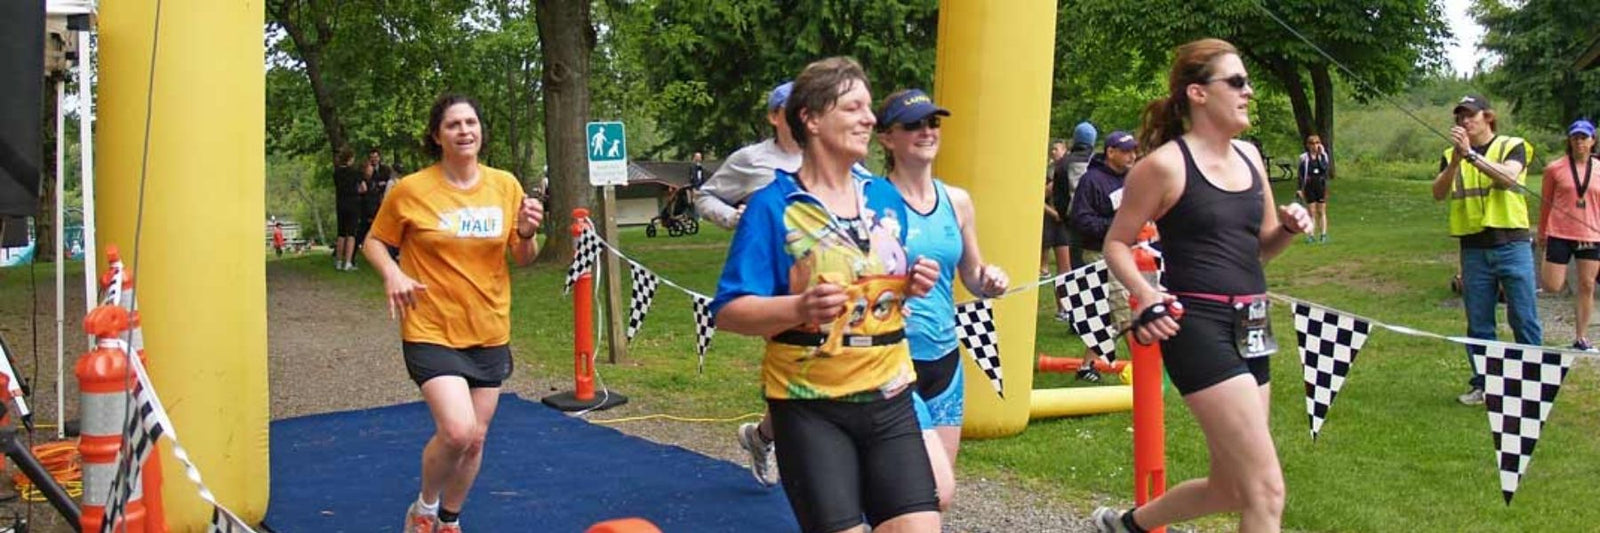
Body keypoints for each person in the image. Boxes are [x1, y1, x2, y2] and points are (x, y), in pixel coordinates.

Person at [710, 57, 942, 533]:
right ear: (811, 119)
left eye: (869, 108)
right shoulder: (775, 206)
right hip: (810, 406)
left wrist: (912, 283)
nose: (870, 119)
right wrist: (798, 307)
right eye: (853, 107)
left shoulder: (884, 198)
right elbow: (729, 312)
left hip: (890, 394)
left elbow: (879, 289)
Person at [1092, 38, 1312, 533]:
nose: (1248, 92)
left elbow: (1261, 249)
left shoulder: (1251, 157)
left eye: (1247, 82)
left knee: (1233, 486)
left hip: (1253, 321)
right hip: (1197, 327)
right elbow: (1116, 244)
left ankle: (1128, 525)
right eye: (1236, 82)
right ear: (1198, 93)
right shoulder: (1164, 166)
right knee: (1266, 490)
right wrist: (1147, 294)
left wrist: (1289, 229)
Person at [368, 94, 543, 533]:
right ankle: (424, 509)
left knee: (476, 439)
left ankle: (449, 519)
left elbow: (523, 258)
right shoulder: (412, 190)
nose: (464, 131)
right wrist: (392, 273)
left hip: (488, 327)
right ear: (437, 136)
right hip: (431, 326)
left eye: (471, 122)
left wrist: (525, 233)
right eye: (453, 125)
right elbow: (374, 242)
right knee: (458, 430)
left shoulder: (505, 185)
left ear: (480, 130)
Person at [876, 88, 1009, 511]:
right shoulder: (873, 201)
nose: (927, 131)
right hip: (891, 359)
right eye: (913, 125)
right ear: (886, 138)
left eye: (932, 123)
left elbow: (972, 275)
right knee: (919, 488)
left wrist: (990, 280)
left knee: (936, 498)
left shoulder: (957, 201)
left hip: (945, 360)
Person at [1430, 94, 1540, 406]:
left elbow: (1508, 178)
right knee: (1479, 322)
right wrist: (1455, 161)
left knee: (1524, 317)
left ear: (1488, 117)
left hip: (1512, 243)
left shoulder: (1512, 145)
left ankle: (1534, 383)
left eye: (1471, 115)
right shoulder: (1450, 154)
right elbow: (1438, 192)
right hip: (1474, 247)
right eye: (1459, 117)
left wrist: (1471, 156)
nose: (1464, 121)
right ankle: (1486, 384)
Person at [1068, 130, 1139, 382]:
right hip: (1100, 253)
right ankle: (1145, 370)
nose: (1132, 156)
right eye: (1126, 151)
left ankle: (1086, 366)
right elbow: (1080, 220)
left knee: (1107, 313)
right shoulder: (1091, 180)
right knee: (1124, 309)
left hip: (1130, 252)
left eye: (1134, 150)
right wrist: (1117, 226)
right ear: (1111, 152)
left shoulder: (1132, 178)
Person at [694, 82, 802, 230]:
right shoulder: (751, 158)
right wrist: (733, 217)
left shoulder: (829, 157)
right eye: (792, 111)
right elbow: (704, 197)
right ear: (774, 117)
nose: (801, 117)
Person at [1539, 119, 1599, 351]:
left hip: (1590, 233)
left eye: (1584, 138)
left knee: (1587, 284)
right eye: (1575, 138)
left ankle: (1581, 337)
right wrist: (1542, 232)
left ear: (1592, 141)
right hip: (1560, 232)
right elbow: (1545, 202)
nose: (1579, 142)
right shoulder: (1554, 168)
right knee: (1552, 285)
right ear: (1569, 141)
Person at [333, 147, 364, 271]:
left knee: (341, 233)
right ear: (350, 159)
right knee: (351, 233)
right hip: (353, 203)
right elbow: (363, 187)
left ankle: (338, 261)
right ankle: (348, 262)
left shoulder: (337, 173)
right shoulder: (355, 172)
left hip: (341, 203)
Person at [1296, 134, 1331, 243]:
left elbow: (1324, 169)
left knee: (1322, 211)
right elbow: (1300, 175)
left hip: (1320, 186)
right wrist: (1299, 189)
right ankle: (1311, 235)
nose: (1314, 146)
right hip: (1309, 186)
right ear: (1308, 145)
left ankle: (1323, 235)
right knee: (1311, 212)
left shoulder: (1323, 156)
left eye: (1316, 143)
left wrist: (1320, 155)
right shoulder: (1304, 158)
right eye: (1312, 143)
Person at [358, 149, 394, 248]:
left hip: (382, 199)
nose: (374, 159)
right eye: (372, 158)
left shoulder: (385, 169)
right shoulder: (365, 169)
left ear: (379, 158)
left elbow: (390, 182)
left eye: (376, 157)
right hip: (369, 202)